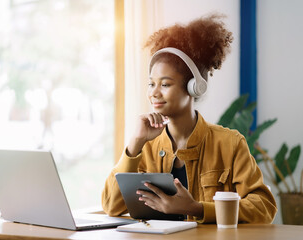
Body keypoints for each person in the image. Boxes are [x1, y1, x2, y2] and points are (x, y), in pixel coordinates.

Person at [101, 14, 277, 223]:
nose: (154, 93)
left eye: (165, 84)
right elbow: (112, 206)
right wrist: (134, 144)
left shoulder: (230, 143)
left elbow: (264, 207)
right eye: (151, 84)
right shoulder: (145, 147)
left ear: (194, 86)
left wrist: (198, 208)